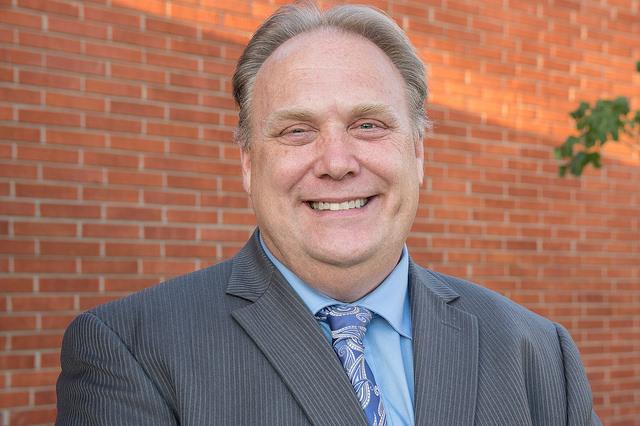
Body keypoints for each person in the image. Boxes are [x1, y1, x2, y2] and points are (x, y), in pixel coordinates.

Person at [56, 3, 600, 425]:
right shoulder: (132, 351)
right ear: (249, 164)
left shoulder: (537, 353)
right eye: (297, 130)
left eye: (368, 125)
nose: (337, 163)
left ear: (417, 153)